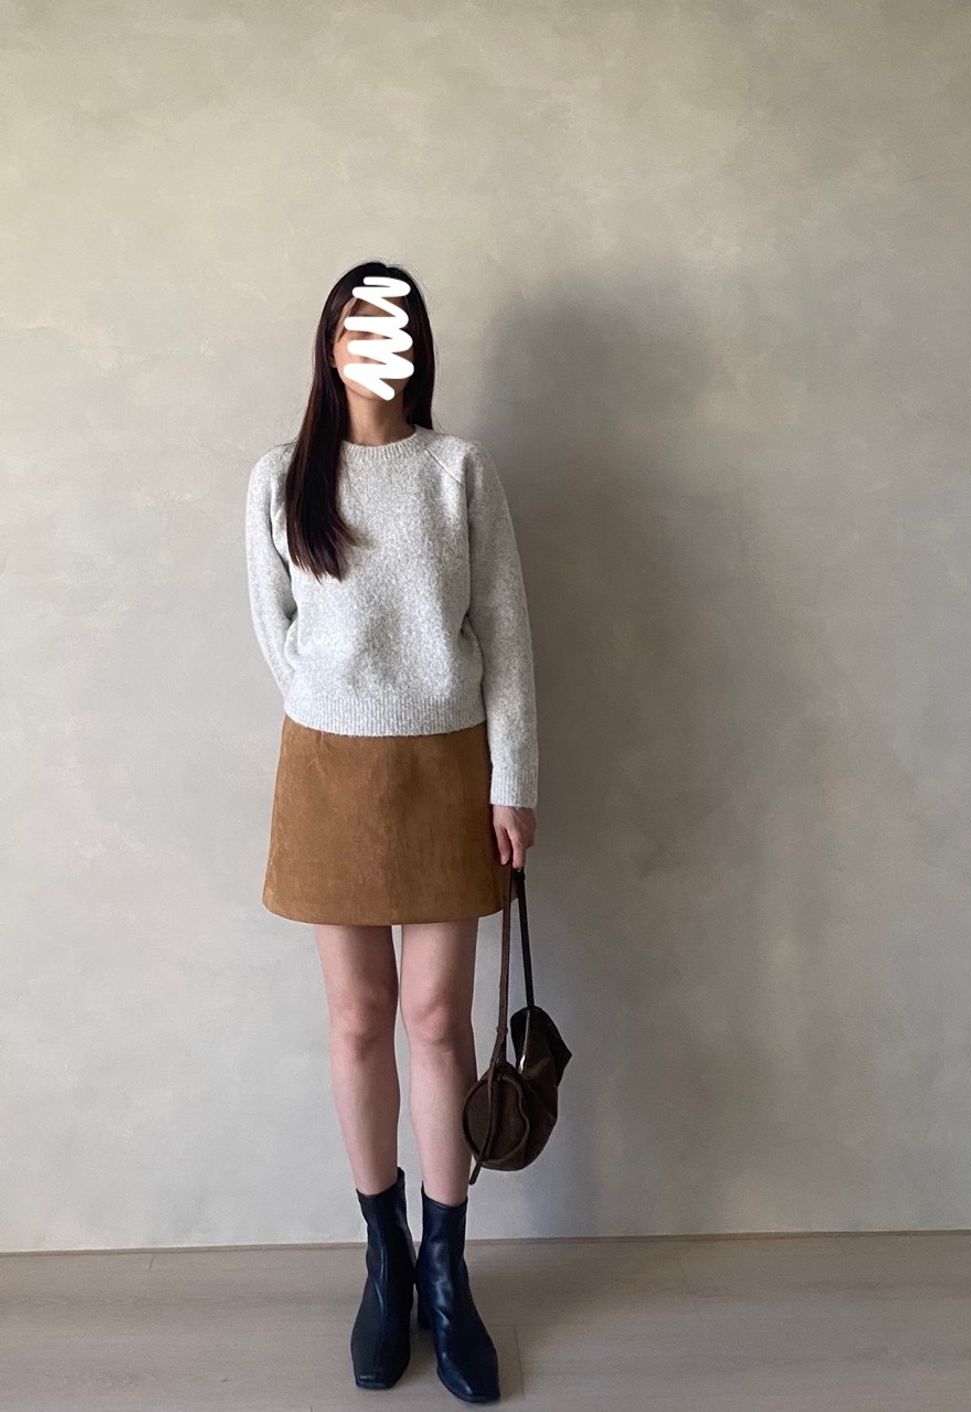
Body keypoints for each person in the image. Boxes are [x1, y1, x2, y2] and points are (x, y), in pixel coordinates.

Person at [243, 260, 538, 1404]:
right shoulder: (281, 479)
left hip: (448, 767)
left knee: (435, 1017)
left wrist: (512, 780)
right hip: (330, 770)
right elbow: (275, 631)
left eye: (394, 325)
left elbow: (504, 633)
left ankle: (449, 1274)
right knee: (359, 1015)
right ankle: (386, 1263)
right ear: (329, 344)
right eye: (356, 325)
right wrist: (339, 705)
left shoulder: (459, 471)